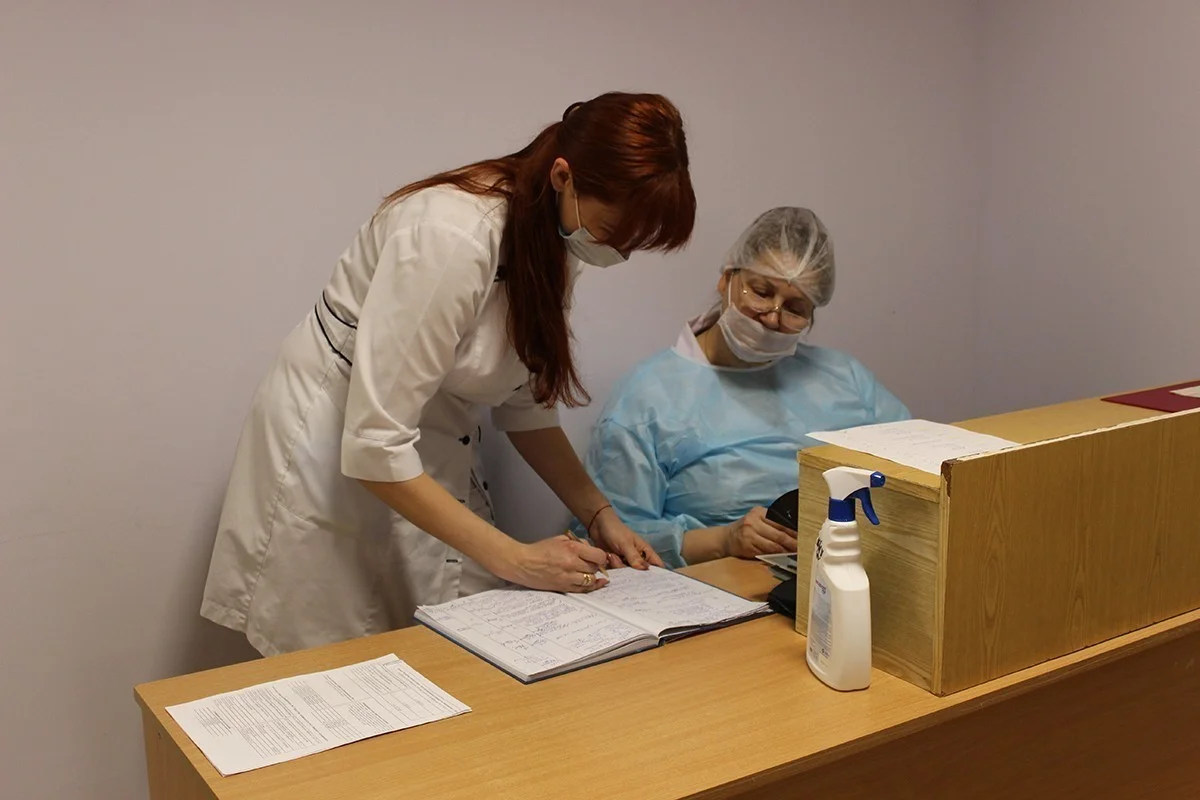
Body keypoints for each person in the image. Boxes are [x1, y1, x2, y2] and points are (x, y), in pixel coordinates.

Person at [201, 92, 693, 657]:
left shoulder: (555, 239)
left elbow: (525, 405)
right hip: (333, 450)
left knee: (449, 646)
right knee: (340, 661)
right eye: (611, 233)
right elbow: (375, 445)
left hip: (423, 441)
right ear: (564, 177)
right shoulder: (451, 235)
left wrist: (600, 514)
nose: (616, 254)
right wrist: (516, 557)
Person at [578, 207, 910, 569]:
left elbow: (918, 467)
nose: (772, 317)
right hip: (721, 585)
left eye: (795, 308)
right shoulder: (647, 399)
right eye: (761, 292)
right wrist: (723, 541)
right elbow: (613, 538)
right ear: (726, 280)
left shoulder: (844, 377)